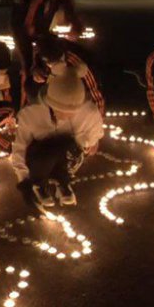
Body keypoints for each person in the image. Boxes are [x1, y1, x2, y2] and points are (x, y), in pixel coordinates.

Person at [12, 62, 103, 208]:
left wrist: (91, 141)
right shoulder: (31, 114)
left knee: (67, 146)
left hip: (67, 157)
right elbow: (20, 146)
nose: (66, 117)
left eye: (72, 112)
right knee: (48, 152)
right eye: (60, 110)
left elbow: (93, 136)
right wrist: (23, 180)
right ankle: (39, 185)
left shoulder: (89, 112)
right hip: (39, 158)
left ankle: (62, 181)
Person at [28, 33, 103, 114]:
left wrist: (98, 116)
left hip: (77, 96)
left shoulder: (77, 62)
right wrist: (36, 71)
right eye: (49, 63)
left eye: (56, 63)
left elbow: (94, 91)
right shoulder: (40, 53)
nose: (52, 67)